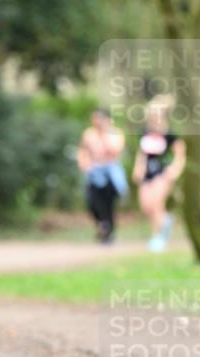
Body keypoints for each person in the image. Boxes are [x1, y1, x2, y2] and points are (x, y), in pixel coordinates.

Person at [132, 95, 186, 252]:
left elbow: (180, 154)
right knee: (146, 206)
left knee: (156, 204)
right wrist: (138, 168)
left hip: (162, 173)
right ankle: (166, 221)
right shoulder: (145, 132)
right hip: (147, 173)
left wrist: (175, 169)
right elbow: (142, 153)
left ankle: (157, 238)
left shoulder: (170, 135)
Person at [77, 108, 128, 243]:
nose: (97, 122)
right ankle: (102, 225)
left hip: (110, 171)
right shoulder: (88, 134)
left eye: (100, 119)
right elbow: (82, 150)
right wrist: (83, 163)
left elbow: (114, 151)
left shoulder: (115, 134)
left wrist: (103, 134)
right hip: (94, 171)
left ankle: (109, 231)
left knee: (108, 203)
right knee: (92, 202)